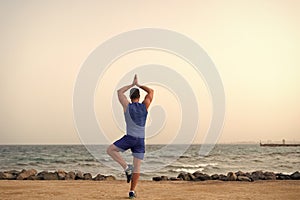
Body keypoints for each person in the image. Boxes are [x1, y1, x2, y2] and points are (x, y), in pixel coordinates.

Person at [107, 74, 154, 199]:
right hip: (140, 140)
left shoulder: (127, 106)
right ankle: (132, 191)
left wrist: (132, 85)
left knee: (110, 150)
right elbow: (151, 91)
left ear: (130, 96)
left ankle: (126, 167)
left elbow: (119, 92)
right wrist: (139, 85)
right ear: (139, 97)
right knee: (137, 167)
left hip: (130, 138)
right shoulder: (145, 105)